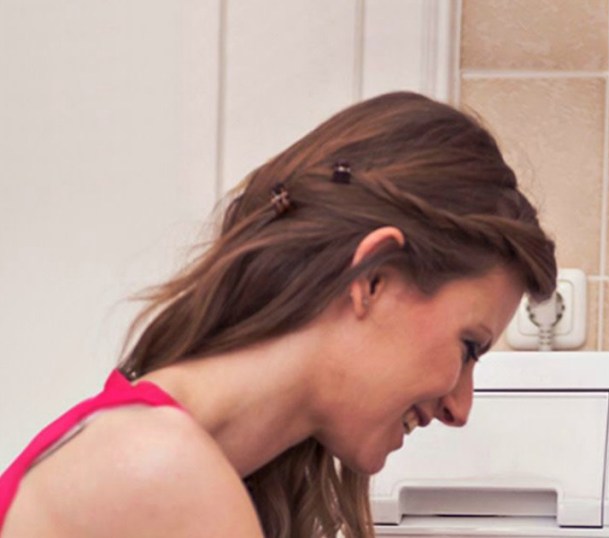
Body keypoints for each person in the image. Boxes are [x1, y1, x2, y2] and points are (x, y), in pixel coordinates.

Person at [0, 91, 558, 538]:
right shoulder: (157, 470)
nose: (461, 406)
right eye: (468, 347)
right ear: (372, 279)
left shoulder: (169, 452)